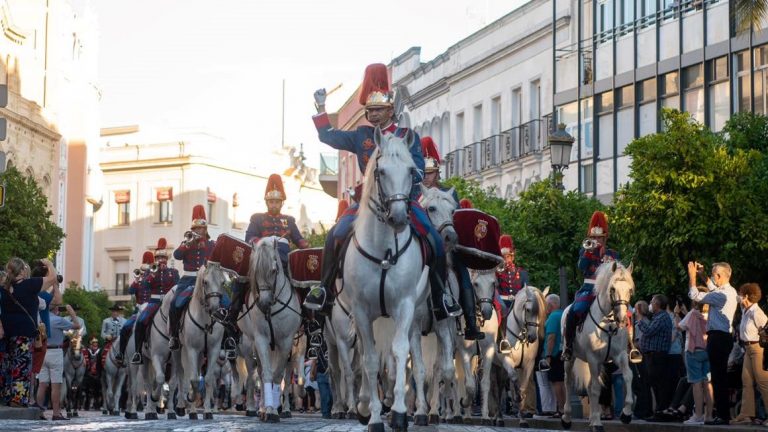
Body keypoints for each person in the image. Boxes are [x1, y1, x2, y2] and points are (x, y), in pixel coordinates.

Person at [304, 63, 461, 320]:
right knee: (336, 234)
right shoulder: (362, 135)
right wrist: (322, 109)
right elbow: (328, 137)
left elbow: (420, 171)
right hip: (368, 202)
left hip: (403, 201)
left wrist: (404, 193)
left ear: (390, 110)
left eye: (378, 110)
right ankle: (324, 291)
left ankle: (441, 296)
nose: (373, 115)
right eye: (370, 110)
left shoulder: (406, 135)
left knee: (434, 239)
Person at [222, 174, 309, 351]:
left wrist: (304, 244)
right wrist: (262, 243)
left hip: (284, 258)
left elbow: (299, 239)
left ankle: (309, 320)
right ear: (267, 202)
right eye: (271, 202)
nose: (274, 205)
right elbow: (250, 237)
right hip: (262, 256)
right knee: (242, 279)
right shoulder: (257, 218)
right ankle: (232, 318)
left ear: (282, 202)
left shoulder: (289, 221)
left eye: (277, 202)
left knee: (303, 280)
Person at [420, 136, 483, 340]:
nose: (426, 177)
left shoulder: (449, 192)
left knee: (462, 273)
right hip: (423, 245)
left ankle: (471, 323)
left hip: (446, 245)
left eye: (429, 173)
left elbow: (456, 219)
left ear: (437, 172)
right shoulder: (415, 193)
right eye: (423, 173)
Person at [562, 211, 641, 363]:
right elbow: (582, 267)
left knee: (630, 312)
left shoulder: (613, 254)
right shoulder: (586, 251)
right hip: (589, 289)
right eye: (594, 237)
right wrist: (590, 252)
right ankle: (569, 346)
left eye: (599, 237)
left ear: (604, 238)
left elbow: (618, 274)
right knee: (574, 311)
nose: (596, 240)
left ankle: (631, 346)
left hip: (609, 292)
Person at [1, 257, 58, 407]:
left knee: (8, 365)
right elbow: (52, 278)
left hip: (7, 333)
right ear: (22, 270)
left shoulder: (4, 288)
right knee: (22, 365)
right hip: (24, 333)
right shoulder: (30, 284)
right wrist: (50, 264)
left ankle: (6, 396)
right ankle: (19, 399)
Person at [687, 261, 738, 425]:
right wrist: (704, 276)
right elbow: (714, 289)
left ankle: (723, 416)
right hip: (723, 337)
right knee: (718, 376)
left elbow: (694, 295)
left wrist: (693, 277)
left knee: (718, 377)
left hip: (718, 337)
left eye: (713, 274)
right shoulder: (728, 291)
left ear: (719, 276)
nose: (713, 276)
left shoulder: (721, 296)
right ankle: (722, 414)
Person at [169, 205, 216, 351]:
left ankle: (228, 339)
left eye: (200, 229)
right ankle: (174, 336)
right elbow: (176, 256)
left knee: (225, 303)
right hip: (188, 281)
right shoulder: (187, 244)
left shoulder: (211, 244)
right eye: (195, 229)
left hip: (207, 281)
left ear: (205, 229)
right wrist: (186, 244)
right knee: (175, 304)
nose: (197, 231)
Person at [132, 237, 179, 364]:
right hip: (154, 302)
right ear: (155, 260)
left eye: (163, 258)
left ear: (167, 259)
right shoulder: (149, 272)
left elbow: (177, 288)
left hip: (168, 303)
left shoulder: (173, 272)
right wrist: (153, 274)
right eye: (158, 258)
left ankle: (178, 342)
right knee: (141, 321)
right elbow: (144, 286)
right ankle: (137, 352)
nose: (161, 261)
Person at [732, 283, 768, 425]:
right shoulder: (746, 310)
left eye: (741, 293)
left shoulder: (756, 313)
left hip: (757, 348)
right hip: (747, 349)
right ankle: (746, 414)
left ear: (746, 296)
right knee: (746, 381)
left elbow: (766, 328)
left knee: (763, 382)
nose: (739, 296)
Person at [37, 303, 80, 420]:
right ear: (56, 309)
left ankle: (39, 413)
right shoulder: (58, 319)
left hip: (42, 352)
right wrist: (71, 311)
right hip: (55, 352)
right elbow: (77, 325)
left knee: (42, 384)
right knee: (56, 385)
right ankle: (56, 413)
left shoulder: (40, 319)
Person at [677, 291, 713, 425]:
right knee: (708, 384)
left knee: (696, 384)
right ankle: (708, 415)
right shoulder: (712, 315)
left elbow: (679, 326)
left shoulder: (693, 314)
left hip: (693, 352)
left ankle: (698, 415)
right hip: (708, 351)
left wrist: (677, 314)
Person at [636, 294, 674, 418]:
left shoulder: (662, 317)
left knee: (658, 384)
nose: (650, 304)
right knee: (655, 384)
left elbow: (648, 331)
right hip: (652, 356)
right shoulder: (657, 317)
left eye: (652, 302)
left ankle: (660, 410)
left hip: (657, 356)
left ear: (657, 305)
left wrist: (640, 318)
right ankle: (659, 410)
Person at [116, 251, 153, 364]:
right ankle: (121, 354)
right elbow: (130, 291)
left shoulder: (154, 277)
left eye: (149, 263)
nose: (147, 266)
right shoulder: (139, 280)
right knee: (125, 327)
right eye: (145, 263)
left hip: (151, 308)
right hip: (138, 310)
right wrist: (137, 280)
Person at [496, 234, 528, 352]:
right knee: (501, 311)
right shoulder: (497, 272)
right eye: (503, 257)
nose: (506, 259)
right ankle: (502, 339)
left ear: (512, 257)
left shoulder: (522, 272)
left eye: (508, 256)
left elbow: (525, 290)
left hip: (517, 302)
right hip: (502, 301)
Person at [542, 294, 564, 416]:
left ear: (551, 304)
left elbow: (551, 337)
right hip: (563, 352)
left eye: (546, 305)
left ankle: (560, 408)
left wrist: (548, 356)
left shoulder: (553, 317)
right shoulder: (562, 314)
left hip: (554, 354)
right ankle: (564, 408)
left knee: (556, 382)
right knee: (562, 381)